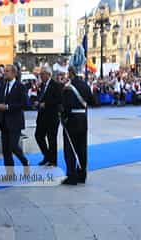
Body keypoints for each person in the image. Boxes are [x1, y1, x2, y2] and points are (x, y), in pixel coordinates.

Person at [61, 46, 95, 185]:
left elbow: (65, 107)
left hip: (71, 121)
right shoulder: (86, 86)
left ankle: (72, 176)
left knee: (70, 148)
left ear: (71, 71)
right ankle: (82, 174)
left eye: (68, 71)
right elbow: (93, 102)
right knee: (82, 148)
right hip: (83, 120)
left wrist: (63, 117)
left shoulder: (68, 87)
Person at [0, 64, 29, 170]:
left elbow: (24, 104)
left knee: (13, 146)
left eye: (7, 71)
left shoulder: (20, 86)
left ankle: (24, 160)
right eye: (4, 71)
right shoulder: (2, 86)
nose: (4, 73)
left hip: (15, 121)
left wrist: (7, 107)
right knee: (5, 149)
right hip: (4, 121)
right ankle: (9, 173)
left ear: (14, 73)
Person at [34, 66, 62, 167]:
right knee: (38, 136)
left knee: (51, 139)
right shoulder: (42, 85)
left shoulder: (56, 85)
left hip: (52, 116)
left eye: (42, 74)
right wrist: (37, 101)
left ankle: (53, 161)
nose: (41, 76)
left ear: (48, 74)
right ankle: (47, 155)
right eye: (40, 74)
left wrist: (46, 104)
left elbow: (59, 100)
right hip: (41, 116)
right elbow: (40, 96)